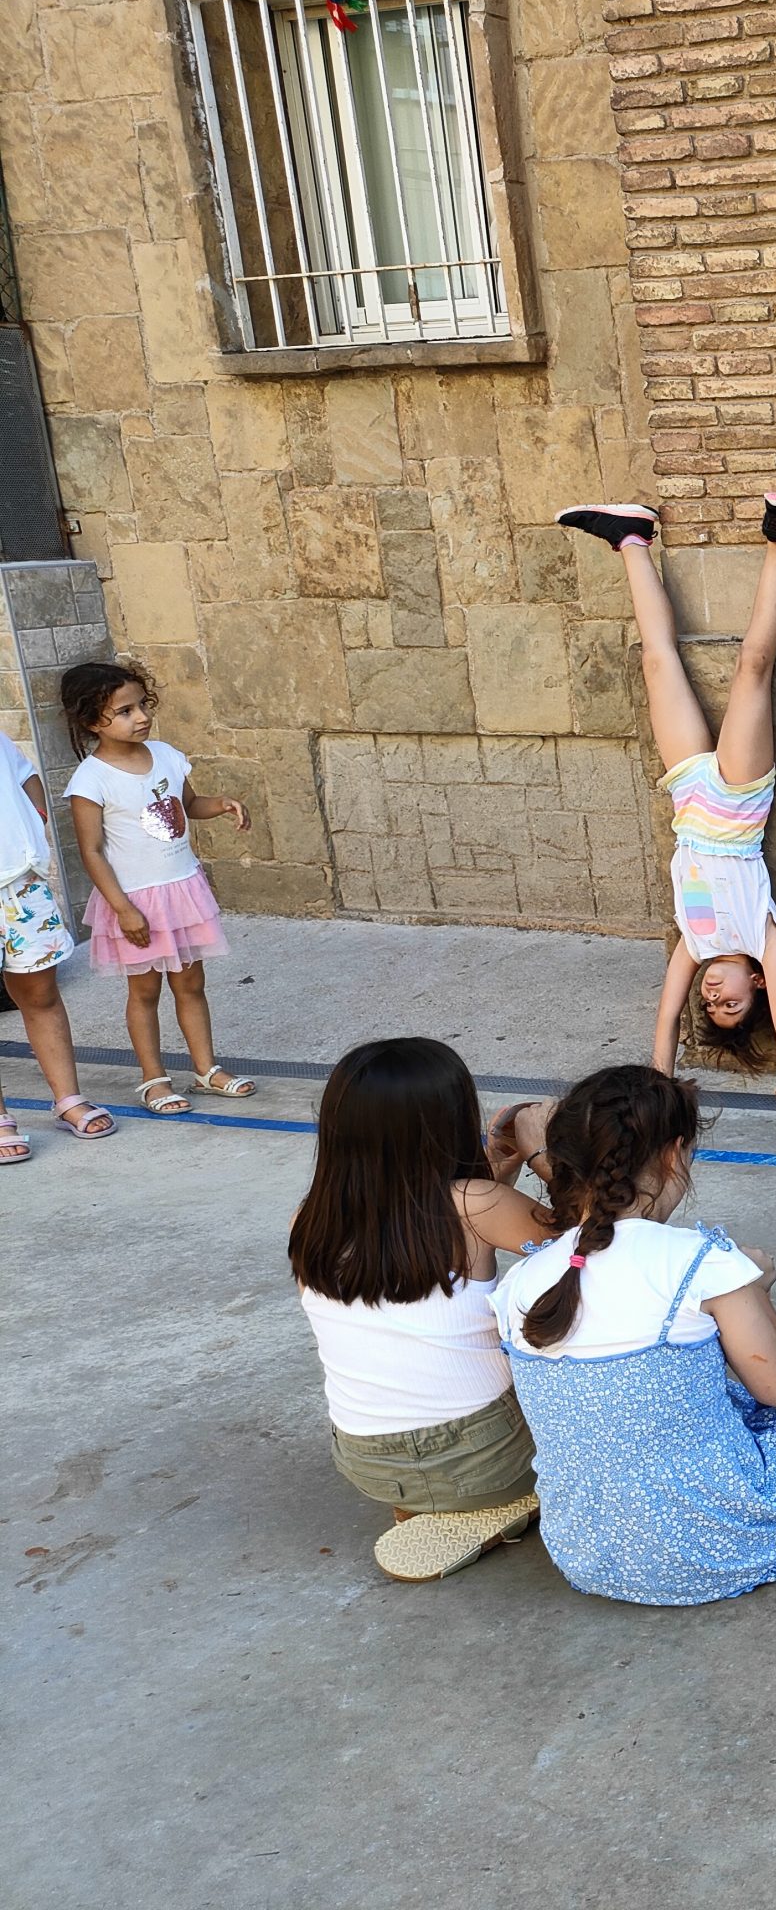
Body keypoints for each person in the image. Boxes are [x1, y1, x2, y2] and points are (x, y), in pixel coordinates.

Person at [490, 1063, 776, 1606]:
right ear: (673, 1155)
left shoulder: (522, 1280)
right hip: (717, 1550)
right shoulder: (701, 1258)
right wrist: (757, 1288)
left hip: (588, 1557)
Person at [555, 495, 776, 1105]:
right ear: (757, 985)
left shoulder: (694, 943)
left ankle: (630, 538)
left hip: (687, 795)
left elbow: (665, 1013)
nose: (714, 997)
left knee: (656, 662)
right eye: (732, 1004)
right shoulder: (762, 939)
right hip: (735, 801)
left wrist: (660, 1082)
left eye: (713, 1007)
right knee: (752, 667)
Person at [289, 1038, 550, 1582]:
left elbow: (412, 1228)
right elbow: (599, 1243)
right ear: (449, 1121)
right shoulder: (476, 1204)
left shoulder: (309, 1218)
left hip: (366, 1461)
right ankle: (502, 1493)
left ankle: (434, 1499)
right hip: (486, 1455)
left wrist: (494, 1180)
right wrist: (539, 1155)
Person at [61, 660, 255, 1117]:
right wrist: (123, 909)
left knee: (191, 985)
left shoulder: (166, 755)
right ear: (92, 721)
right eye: (125, 711)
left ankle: (206, 1069)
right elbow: (91, 851)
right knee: (144, 993)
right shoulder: (91, 779)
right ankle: (154, 1079)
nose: (142, 716)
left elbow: (188, 804)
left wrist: (221, 804)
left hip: (181, 892)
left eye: (142, 705)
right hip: (136, 901)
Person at [0, 728, 111, 1161]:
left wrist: (34, 824)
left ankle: (67, 1098)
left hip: (19, 883)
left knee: (41, 994)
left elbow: (25, 774)